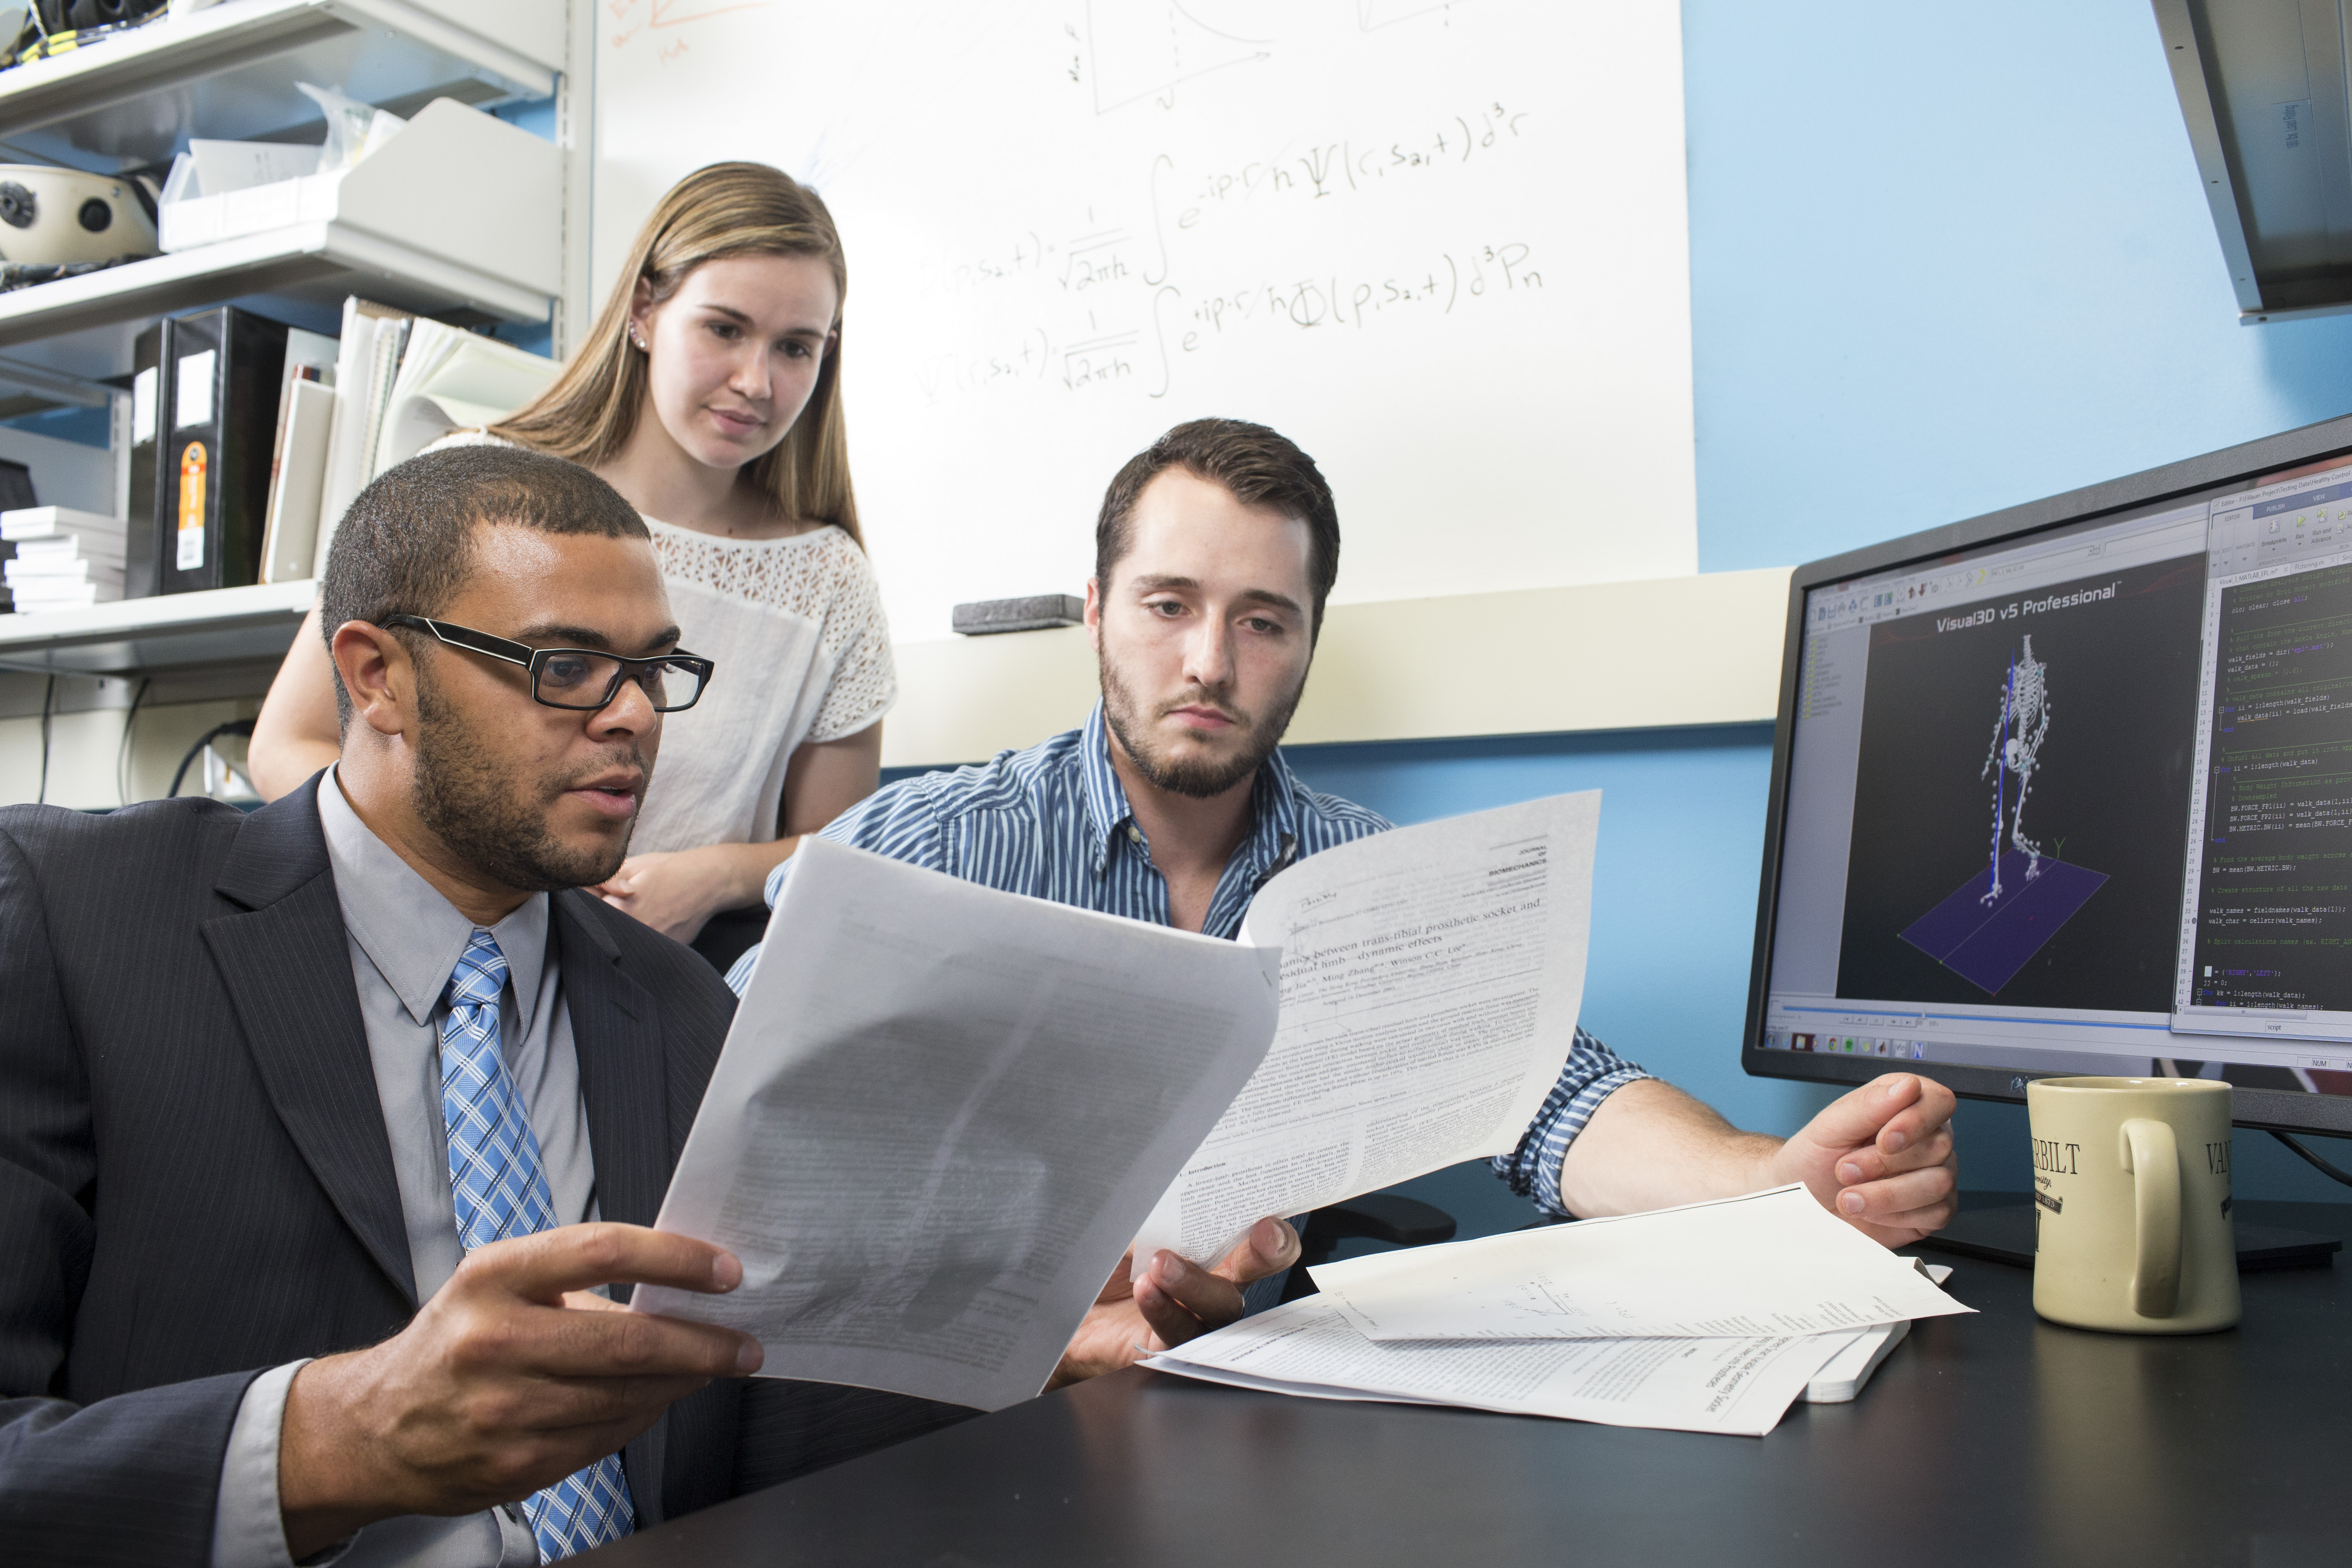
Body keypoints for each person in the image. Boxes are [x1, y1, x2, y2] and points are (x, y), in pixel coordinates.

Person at [0, 445, 1284, 1568]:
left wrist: (1024, 1346)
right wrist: (330, 1443)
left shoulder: (688, 1015)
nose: (630, 719)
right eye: (565, 666)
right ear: (376, 677)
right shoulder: (76, 921)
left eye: (652, 672)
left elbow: (757, 1419)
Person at [725, 419, 1959, 1358]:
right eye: (1168, 607)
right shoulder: (916, 848)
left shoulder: (1373, 881)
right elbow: (709, 1117)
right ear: (1097, 613)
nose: (1210, 663)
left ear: (1311, 640)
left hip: (1243, 1409)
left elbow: (1555, 1099)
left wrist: (1767, 1183)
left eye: (1264, 621)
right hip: (942, 1413)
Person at [249, 162, 892, 973]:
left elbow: (845, 852)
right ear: (645, 312)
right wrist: (493, 889)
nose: (755, 382)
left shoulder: (828, 578)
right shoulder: (472, 484)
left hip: (676, 990)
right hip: (437, 957)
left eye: (795, 347)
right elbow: (289, 745)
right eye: (724, 329)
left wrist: (712, 878)